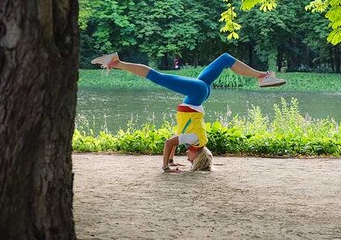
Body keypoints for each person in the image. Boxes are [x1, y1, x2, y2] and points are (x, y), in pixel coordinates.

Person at [91, 52, 286, 173]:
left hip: (201, 94)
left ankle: (263, 77)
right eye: (191, 161)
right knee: (157, 77)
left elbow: (175, 140)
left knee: (226, 58)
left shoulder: (195, 140)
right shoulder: (194, 139)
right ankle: (117, 62)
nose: (188, 159)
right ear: (197, 157)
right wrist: (166, 166)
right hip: (197, 94)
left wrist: (171, 159)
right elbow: (169, 142)